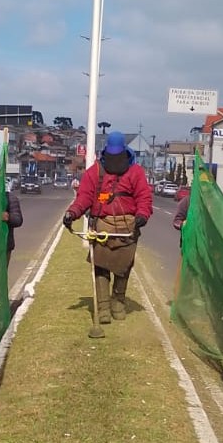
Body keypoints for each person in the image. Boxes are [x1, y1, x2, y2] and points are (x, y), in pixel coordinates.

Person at [62, 130, 153, 323]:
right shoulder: (94, 172)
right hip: (102, 225)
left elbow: (144, 197)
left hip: (128, 227)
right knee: (101, 268)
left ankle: (118, 302)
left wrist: (142, 215)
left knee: (123, 268)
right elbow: (84, 197)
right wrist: (72, 213)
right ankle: (103, 308)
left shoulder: (135, 172)